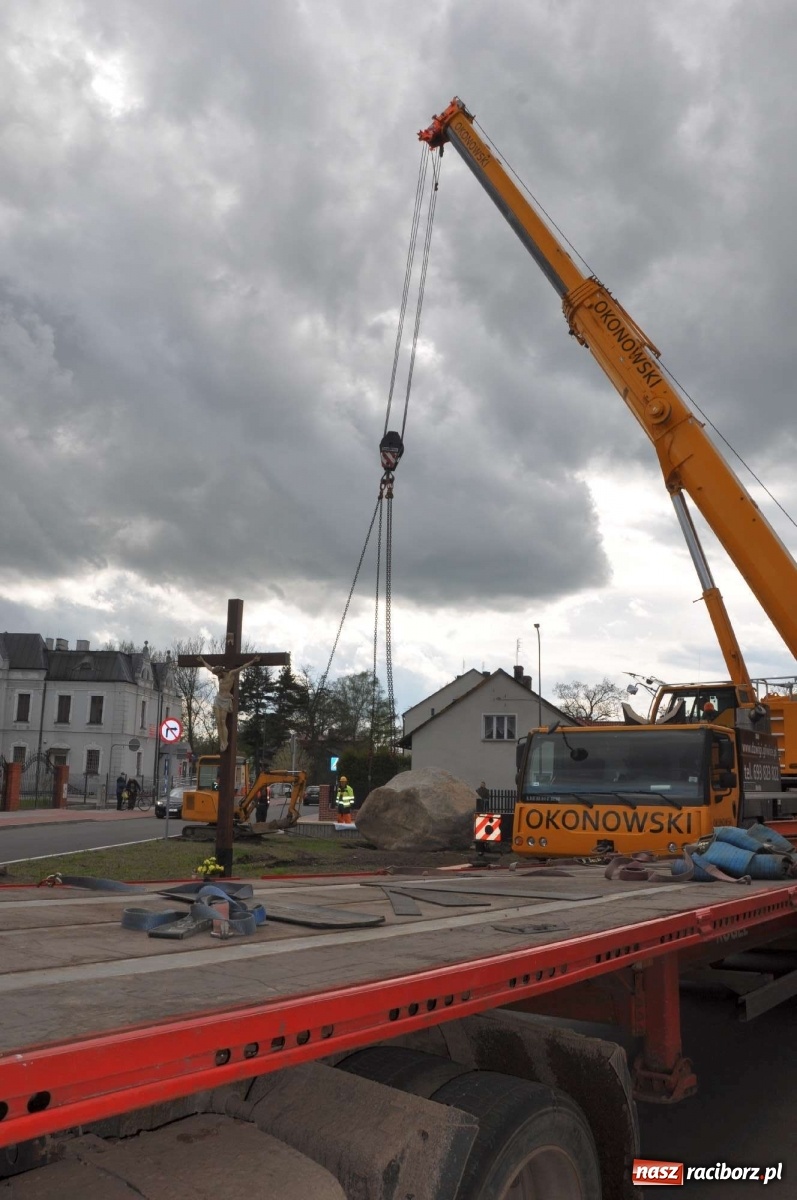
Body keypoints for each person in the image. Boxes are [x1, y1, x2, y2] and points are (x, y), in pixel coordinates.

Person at [197, 655, 261, 752]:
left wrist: (253, 661)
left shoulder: (231, 674)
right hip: (218, 699)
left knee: (223, 721)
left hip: (226, 700)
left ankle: (225, 741)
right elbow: (209, 667)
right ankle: (221, 741)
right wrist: (202, 660)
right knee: (218, 722)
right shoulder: (219, 676)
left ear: (221, 671)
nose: (217, 676)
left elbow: (242, 667)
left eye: (218, 674)